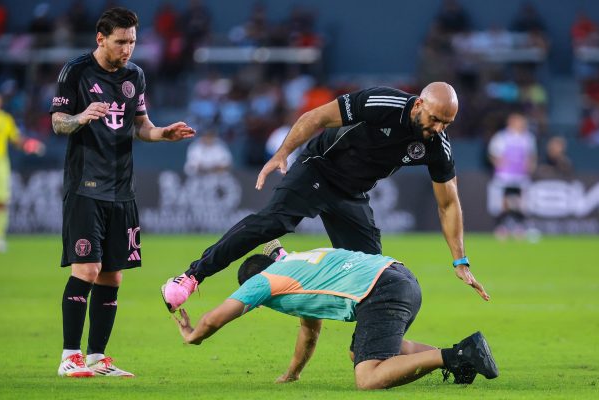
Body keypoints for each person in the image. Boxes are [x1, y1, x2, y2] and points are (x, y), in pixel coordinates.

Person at [162, 82, 490, 313]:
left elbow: (448, 203)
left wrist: (460, 261)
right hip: (319, 168)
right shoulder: (382, 103)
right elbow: (316, 117)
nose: (437, 128)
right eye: (434, 119)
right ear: (419, 104)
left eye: (446, 124)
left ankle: (367, 351)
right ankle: (192, 276)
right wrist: (282, 154)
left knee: (373, 274)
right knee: (272, 222)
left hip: (352, 193)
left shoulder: (437, 145)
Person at [50, 7, 195, 378]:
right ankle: (70, 356)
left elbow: (141, 126)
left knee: (113, 276)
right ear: (101, 39)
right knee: (87, 268)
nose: (127, 49)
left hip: (122, 189)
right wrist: (81, 118)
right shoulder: (77, 71)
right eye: (120, 42)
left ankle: (97, 358)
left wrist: (163, 133)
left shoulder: (135, 76)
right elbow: (57, 123)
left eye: (132, 41)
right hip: (86, 186)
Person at [171, 240, 499, 389]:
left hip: (381, 290)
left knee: (367, 377)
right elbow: (310, 331)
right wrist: (293, 374)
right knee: (363, 351)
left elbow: (216, 317)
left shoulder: (262, 282)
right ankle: (464, 362)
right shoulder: (295, 267)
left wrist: (192, 335)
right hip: (400, 277)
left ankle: (457, 354)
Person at [0, 94, 44, 252]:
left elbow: (16, 140)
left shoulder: (5, 119)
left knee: (2, 202)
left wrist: (31, 145)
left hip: (1, 163)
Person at [487, 112, 537, 239]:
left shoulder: (528, 138)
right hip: (504, 177)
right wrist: (500, 163)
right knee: (502, 204)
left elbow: (531, 156)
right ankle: (502, 227)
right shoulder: (501, 137)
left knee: (521, 204)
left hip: (521, 177)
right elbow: (493, 155)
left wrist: (530, 166)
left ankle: (519, 227)